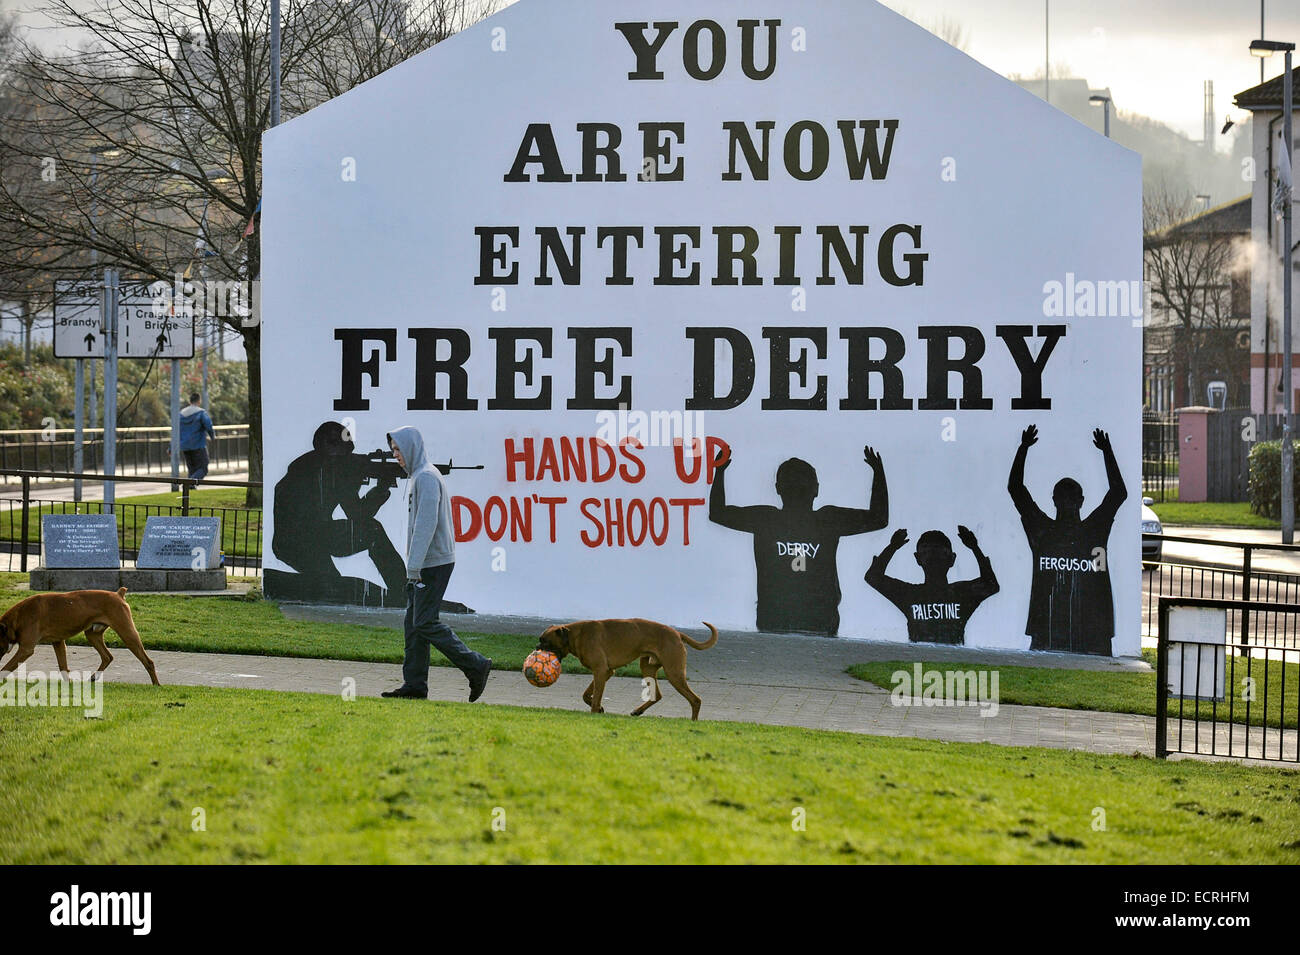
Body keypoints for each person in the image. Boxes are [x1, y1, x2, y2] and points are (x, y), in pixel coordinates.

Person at [709, 445, 888, 637]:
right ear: (816, 489)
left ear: (778, 489)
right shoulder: (827, 519)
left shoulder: (765, 519)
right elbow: (878, 518)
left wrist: (719, 471)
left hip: (780, 620)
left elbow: (718, 513)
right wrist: (878, 472)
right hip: (815, 621)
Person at [381, 425, 492, 701]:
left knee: (424, 623)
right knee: (413, 624)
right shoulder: (420, 476)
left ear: (412, 448)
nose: (396, 455)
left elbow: (425, 525)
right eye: (393, 450)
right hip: (427, 564)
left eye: (399, 450)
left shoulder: (426, 478)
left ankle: (476, 665)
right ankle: (415, 686)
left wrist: (414, 568)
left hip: (432, 565)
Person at [1007, 425, 1126, 656]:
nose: (1068, 503)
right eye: (1064, 499)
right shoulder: (1056, 531)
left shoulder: (1080, 530)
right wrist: (1106, 450)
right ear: (1056, 501)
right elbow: (1016, 490)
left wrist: (1023, 448)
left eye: (1070, 499)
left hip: (1087, 628)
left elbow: (1118, 494)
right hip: (1054, 626)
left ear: (1080, 501)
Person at [270, 421, 407, 599]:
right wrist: (381, 489)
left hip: (306, 537)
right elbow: (357, 514)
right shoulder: (330, 470)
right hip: (299, 543)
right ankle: (402, 591)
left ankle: (401, 591)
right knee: (372, 531)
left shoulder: (307, 464)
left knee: (332, 584)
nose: (348, 458)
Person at [865, 526, 999, 645]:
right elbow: (990, 584)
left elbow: (990, 585)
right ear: (918, 558)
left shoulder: (912, 594)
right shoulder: (960, 593)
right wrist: (974, 548)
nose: (933, 557)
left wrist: (892, 547)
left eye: (939, 553)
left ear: (951, 559)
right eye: (927, 552)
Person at [179, 393, 216, 480]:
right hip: (198, 444)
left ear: (190, 401)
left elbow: (176, 432)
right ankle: (191, 483)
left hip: (185, 446)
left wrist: (170, 447)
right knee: (203, 468)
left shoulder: (181, 414)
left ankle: (189, 489)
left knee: (191, 469)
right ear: (199, 401)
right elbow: (208, 425)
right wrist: (212, 436)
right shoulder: (201, 413)